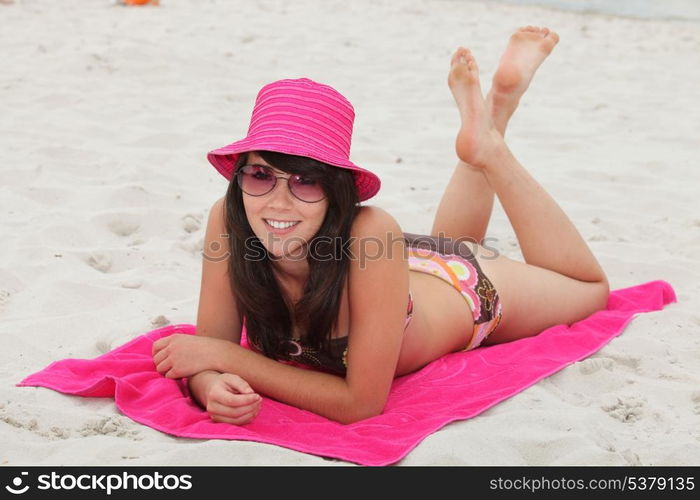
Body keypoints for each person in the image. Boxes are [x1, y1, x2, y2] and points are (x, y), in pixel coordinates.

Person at [151, 26, 609, 425]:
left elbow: (360, 404)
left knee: (590, 289)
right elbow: (207, 351)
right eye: (260, 174)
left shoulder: (370, 230)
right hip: (400, 269)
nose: (279, 199)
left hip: (467, 291)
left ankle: (492, 145)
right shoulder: (228, 218)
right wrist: (210, 385)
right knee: (455, 241)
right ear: (239, 175)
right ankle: (491, 117)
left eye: (307, 181)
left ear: (338, 192)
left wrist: (229, 361)